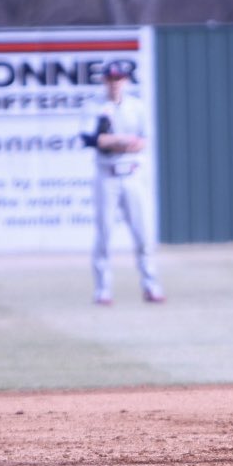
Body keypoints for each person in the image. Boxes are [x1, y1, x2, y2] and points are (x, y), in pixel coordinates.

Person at [83, 59, 165, 306]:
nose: (114, 83)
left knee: (142, 234)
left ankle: (151, 286)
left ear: (126, 81)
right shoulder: (94, 106)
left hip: (131, 174)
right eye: (110, 78)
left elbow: (142, 141)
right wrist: (118, 139)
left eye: (118, 78)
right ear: (104, 81)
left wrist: (112, 140)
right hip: (106, 175)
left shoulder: (136, 106)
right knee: (104, 234)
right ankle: (103, 290)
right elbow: (90, 139)